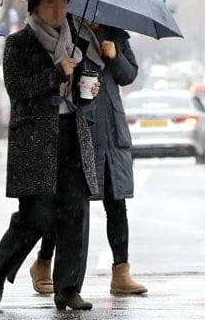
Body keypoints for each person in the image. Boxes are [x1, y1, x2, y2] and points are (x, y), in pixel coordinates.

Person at [0, 0, 99, 311]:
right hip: (34, 137)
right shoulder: (19, 42)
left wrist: (89, 88)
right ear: (35, 5)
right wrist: (55, 73)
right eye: (50, 3)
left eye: (63, 3)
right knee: (37, 215)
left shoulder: (76, 42)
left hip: (71, 133)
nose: (58, 10)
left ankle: (68, 288)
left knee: (73, 212)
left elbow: (79, 90)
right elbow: (17, 88)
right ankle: (3, 265)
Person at [31, 21, 146, 296]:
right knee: (66, 204)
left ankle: (121, 271)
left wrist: (115, 56)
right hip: (79, 124)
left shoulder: (116, 34)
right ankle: (44, 262)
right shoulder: (67, 31)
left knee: (115, 202)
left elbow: (129, 75)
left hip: (111, 129)